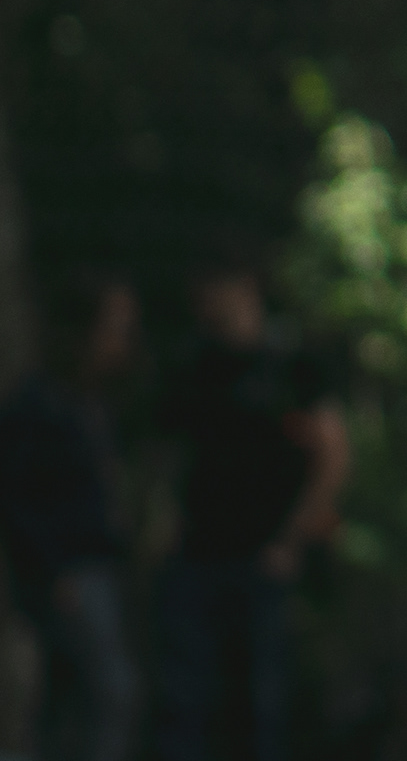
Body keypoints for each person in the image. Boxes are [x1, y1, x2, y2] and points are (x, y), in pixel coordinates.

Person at [155, 253, 349, 761]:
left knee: (261, 705)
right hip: (198, 555)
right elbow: (171, 454)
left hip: (264, 560)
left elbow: (332, 455)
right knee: (188, 702)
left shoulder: (291, 363)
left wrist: (291, 541)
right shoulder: (193, 364)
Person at [0, 275, 143, 761]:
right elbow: (15, 496)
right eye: (114, 328)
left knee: (71, 699)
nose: (122, 342)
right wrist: (51, 568)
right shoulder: (40, 404)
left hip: (96, 567)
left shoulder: (94, 402)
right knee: (110, 691)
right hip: (70, 574)